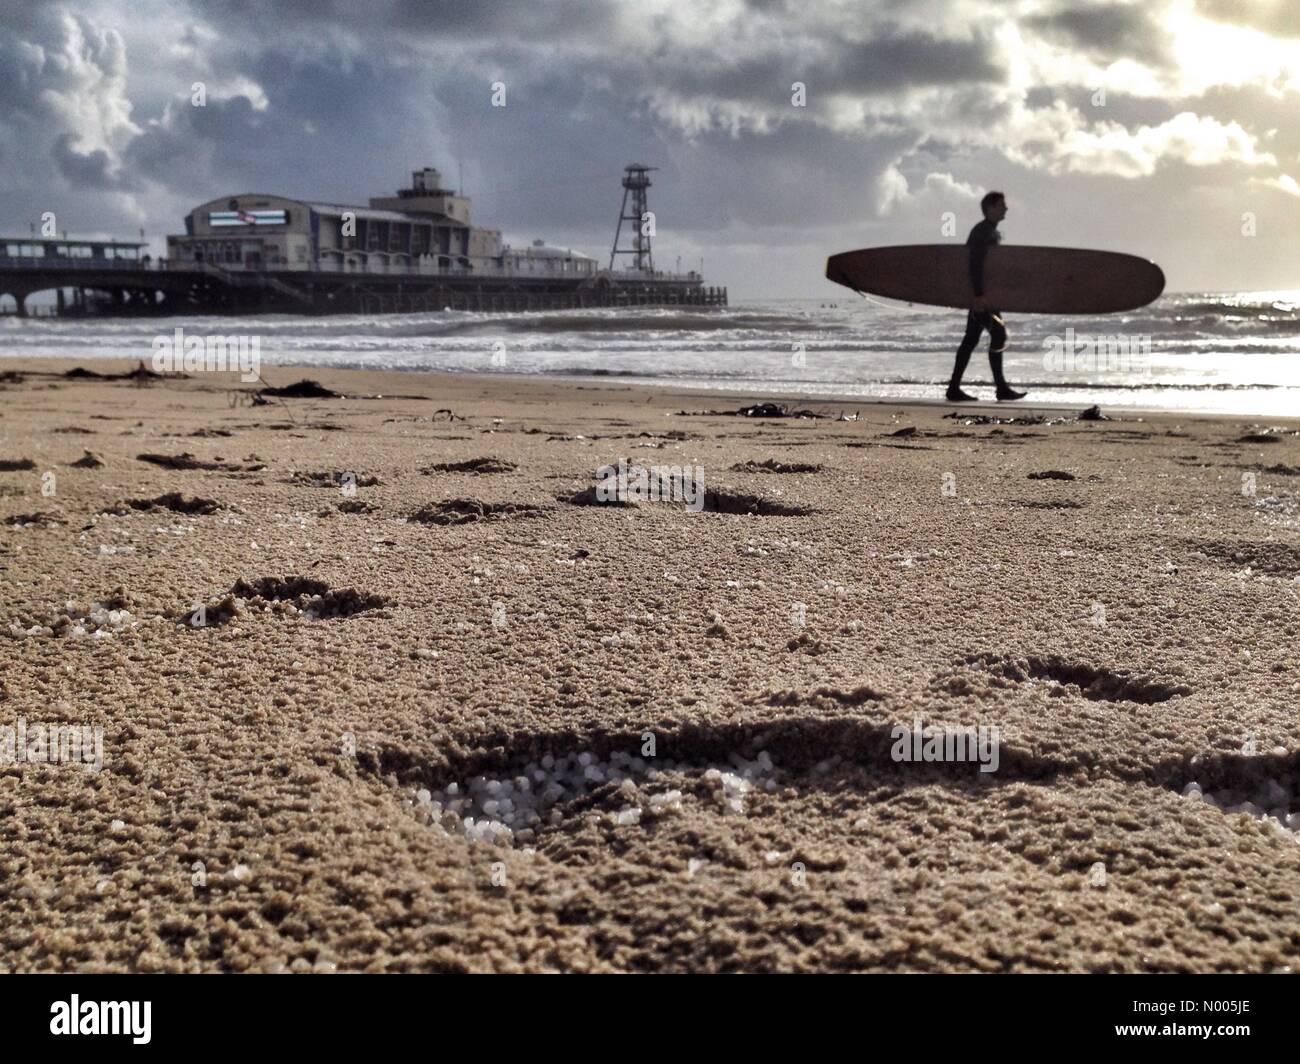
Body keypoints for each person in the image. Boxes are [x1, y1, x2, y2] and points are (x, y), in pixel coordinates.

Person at [947, 191, 1026, 402]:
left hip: (986, 295)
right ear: (990, 208)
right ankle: (1000, 388)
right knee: (998, 335)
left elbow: (992, 267)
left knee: (971, 340)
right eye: (1002, 205)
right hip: (981, 296)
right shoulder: (982, 232)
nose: (1006, 209)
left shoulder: (991, 231)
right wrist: (978, 295)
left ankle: (954, 388)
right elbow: (974, 265)